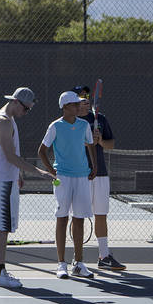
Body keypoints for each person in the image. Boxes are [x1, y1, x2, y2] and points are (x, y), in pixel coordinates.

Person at [0, 87, 56, 289]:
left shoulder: (9, 120)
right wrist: (39, 172)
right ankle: (0, 272)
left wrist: (19, 174)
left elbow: (9, 155)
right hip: (2, 181)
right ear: (16, 102)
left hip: (5, 178)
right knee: (1, 228)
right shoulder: (3, 122)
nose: (26, 113)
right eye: (26, 109)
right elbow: (10, 156)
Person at [38, 91, 97, 279]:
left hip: (82, 177)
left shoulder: (84, 125)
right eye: (74, 104)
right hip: (62, 177)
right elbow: (42, 151)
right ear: (65, 107)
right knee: (62, 218)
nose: (79, 106)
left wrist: (93, 166)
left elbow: (90, 145)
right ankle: (61, 263)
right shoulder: (55, 126)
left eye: (79, 104)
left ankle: (78, 263)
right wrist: (51, 170)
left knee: (79, 219)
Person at [73, 84, 126, 271]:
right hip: (79, 175)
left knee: (101, 214)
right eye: (81, 99)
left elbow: (111, 144)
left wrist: (100, 141)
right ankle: (76, 258)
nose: (85, 102)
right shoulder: (68, 121)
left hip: (101, 174)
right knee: (77, 217)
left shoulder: (100, 119)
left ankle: (104, 255)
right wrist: (87, 141)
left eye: (87, 99)